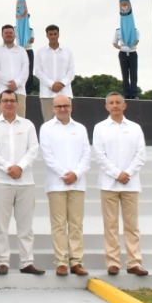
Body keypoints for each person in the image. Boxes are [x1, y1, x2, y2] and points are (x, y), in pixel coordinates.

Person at [0, 90, 43, 275]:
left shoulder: (27, 125)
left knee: (25, 226)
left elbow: (33, 149)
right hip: (1, 181)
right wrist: (9, 167)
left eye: (12, 101)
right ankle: (2, 261)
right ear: (0, 103)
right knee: (1, 225)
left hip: (25, 182)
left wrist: (21, 167)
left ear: (17, 103)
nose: (9, 103)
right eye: (5, 100)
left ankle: (27, 262)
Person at [93, 92, 148, 277]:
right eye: (111, 103)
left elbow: (141, 155)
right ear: (106, 106)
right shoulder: (100, 128)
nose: (115, 105)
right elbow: (99, 155)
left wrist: (128, 173)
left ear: (124, 106)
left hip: (130, 184)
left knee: (132, 225)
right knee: (110, 225)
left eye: (118, 102)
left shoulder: (135, 128)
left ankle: (134, 262)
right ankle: (113, 262)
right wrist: (117, 173)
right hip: (109, 184)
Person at [40, 95, 90, 277]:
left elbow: (86, 155)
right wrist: (64, 174)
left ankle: (76, 261)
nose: (62, 109)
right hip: (56, 184)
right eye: (59, 106)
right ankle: (61, 262)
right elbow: (47, 156)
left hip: (77, 183)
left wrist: (76, 173)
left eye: (66, 106)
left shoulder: (80, 129)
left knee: (76, 224)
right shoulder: (46, 129)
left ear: (71, 107)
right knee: (59, 225)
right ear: (53, 108)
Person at [33, 25, 75, 124]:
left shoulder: (67, 52)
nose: (53, 36)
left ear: (58, 34)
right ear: (47, 35)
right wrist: (51, 84)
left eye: (55, 34)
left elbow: (71, 72)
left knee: (66, 122)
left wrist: (61, 84)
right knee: (48, 123)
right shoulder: (40, 52)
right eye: (50, 34)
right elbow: (38, 71)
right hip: (47, 94)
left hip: (65, 92)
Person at [0, 24, 30, 118]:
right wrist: (9, 83)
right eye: (6, 33)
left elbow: (25, 69)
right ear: (2, 35)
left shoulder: (22, 51)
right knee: (0, 121)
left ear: (14, 35)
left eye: (11, 33)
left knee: (20, 121)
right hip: (1, 91)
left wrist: (17, 83)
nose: (8, 35)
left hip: (19, 91)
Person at [113, 25, 140, 101]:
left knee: (133, 74)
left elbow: (137, 41)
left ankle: (134, 94)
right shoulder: (118, 31)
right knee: (125, 75)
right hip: (123, 53)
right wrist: (122, 48)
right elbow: (114, 43)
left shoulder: (135, 30)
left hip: (132, 53)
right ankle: (126, 94)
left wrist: (130, 46)